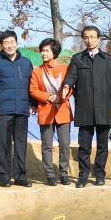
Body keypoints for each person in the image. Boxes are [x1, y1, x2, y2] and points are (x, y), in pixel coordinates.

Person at [63, 26, 111, 188]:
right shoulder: (78, 59)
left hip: (103, 107)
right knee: (84, 145)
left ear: (99, 39)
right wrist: (67, 85)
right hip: (85, 108)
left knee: (102, 144)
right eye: (86, 37)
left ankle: (100, 174)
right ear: (83, 39)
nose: (90, 40)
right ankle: (83, 176)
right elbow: (71, 77)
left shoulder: (107, 59)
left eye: (93, 37)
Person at [0, 30, 35, 187]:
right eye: (6, 43)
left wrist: (33, 103)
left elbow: (32, 85)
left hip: (22, 109)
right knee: (4, 145)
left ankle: (20, 176)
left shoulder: (26, 62)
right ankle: (4, 177)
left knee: (21, 144)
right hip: (4, 109)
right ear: (1, 45)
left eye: (12, 42)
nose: (10, 45)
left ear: (17, 43)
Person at [29, 38, 73, 186]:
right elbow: (33, 90)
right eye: (42, 50)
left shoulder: (65, 68)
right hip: (45, 111)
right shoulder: (37, 71)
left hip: (62, 110)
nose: (43, 53)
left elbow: (70, 87)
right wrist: (49, 97)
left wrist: (59, 97)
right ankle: (49, 174)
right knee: (47, 145)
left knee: (65, 144)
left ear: (55, 52)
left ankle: (64, 173)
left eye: (47, 50)